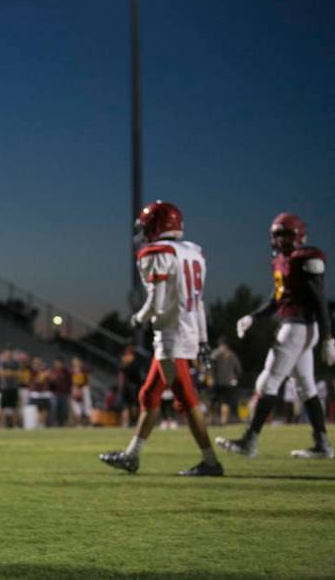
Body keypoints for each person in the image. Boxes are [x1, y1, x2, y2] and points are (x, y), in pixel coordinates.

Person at [99, 201, 224, 476]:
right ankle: (131, 455)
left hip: (171, 336)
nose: (143, 234)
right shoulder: (194, 252)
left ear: (156, 226)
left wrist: (137, 319)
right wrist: (203, 340)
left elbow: (156, 302)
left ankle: (211, 462)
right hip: (188, 330)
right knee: (150, 393)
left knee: (185, 398)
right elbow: (198, 302)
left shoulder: (157, 253)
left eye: (146, 227)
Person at [218, 213, 335, 459]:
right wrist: (253, 317)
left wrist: (328, 337)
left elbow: (319, 301)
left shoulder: (305, 259)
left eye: (285, 234)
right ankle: (322, 444)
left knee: (267, 382)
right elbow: (276, 300)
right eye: (277, 234)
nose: (280, 240)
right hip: (296, 327)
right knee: (306, 387)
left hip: (298, 328)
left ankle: (249, 441)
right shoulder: (282, 262)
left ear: (298, 235)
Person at [209, 337, 243, 425]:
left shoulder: (215, 353)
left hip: (217, 381)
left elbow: (210, 366)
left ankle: (212, 420)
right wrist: (235, 378)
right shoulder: (232, 354)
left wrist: (210, 377)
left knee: (214, 401)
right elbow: (239, 369)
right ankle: (223, 421)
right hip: (229, 382)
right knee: (226, 402)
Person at [69, 357, 92, 426]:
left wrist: (86, 388)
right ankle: (79, 424)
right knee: (76, 407)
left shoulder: (84, 370)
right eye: (74, 362)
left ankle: (88, 423)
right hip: (75, 389)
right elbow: (70, 381)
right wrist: (73, 389)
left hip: (84, 388)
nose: (75, 363)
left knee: (87, 406)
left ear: (80, 362)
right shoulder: (71, 371)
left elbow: (88, 379)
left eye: (77, 361)